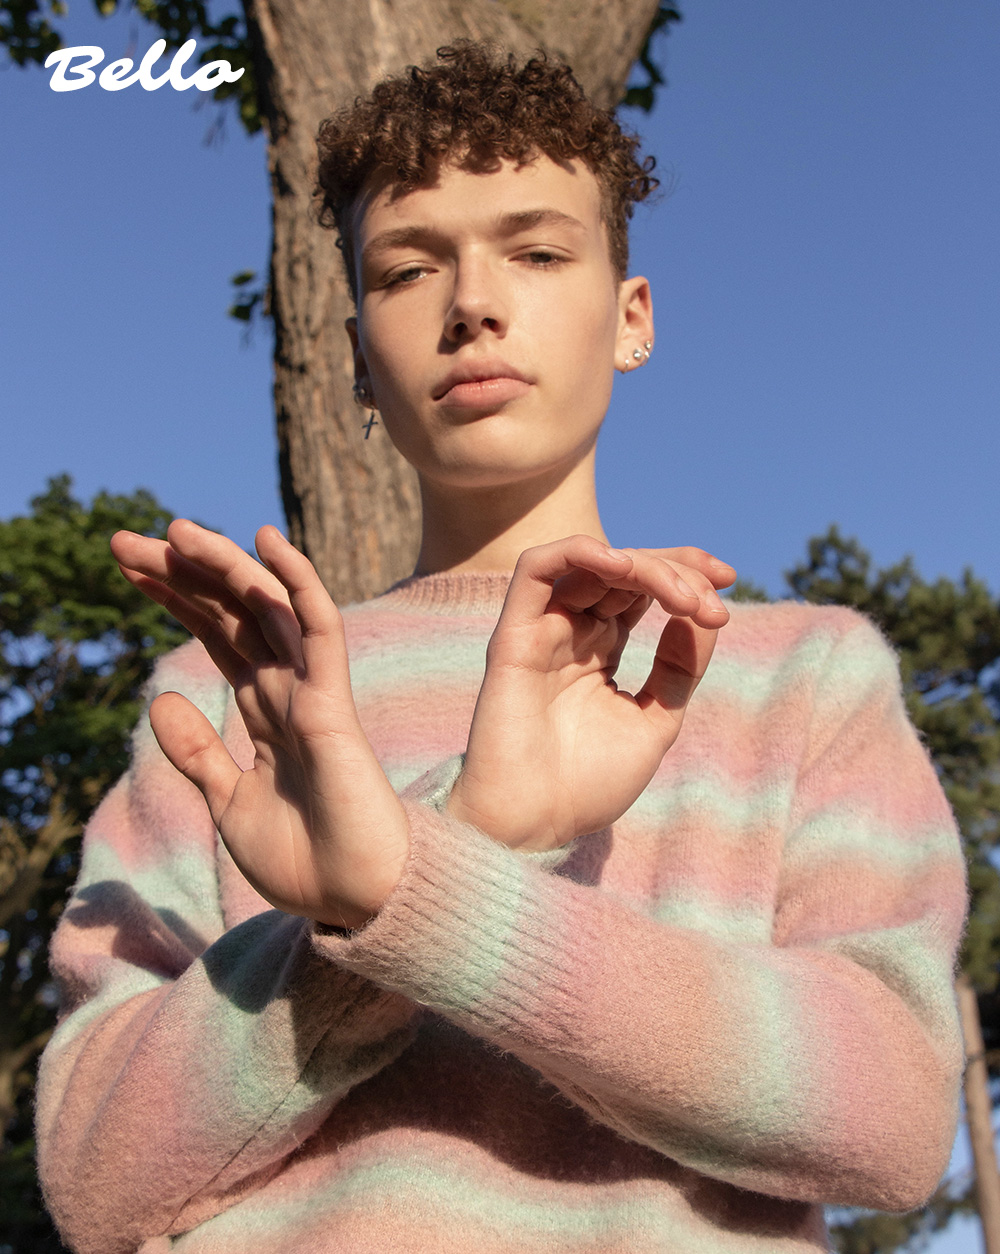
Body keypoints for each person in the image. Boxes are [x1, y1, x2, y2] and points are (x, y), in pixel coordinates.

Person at [36, 41, 967, 1254]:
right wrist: (456, 845)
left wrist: (419, 890)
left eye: (535, 252)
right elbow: (94, 1175)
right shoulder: (227, 698)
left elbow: (894, 1117)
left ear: (631, 317)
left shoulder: (804, 681)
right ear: (357, 356)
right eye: (407, 268)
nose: (472, 303)